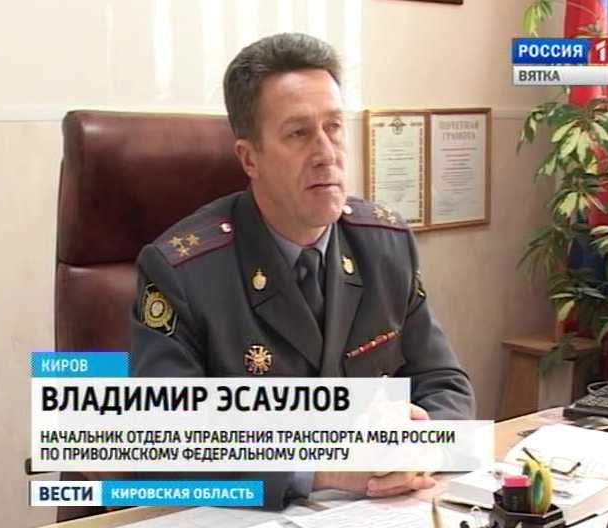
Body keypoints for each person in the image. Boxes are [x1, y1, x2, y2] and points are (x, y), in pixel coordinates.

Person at [130, 32, 475, 510]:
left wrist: (422, 446)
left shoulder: (384, 244)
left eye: (333, 127)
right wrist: (321, 468)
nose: (326, 152)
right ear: (249, 158)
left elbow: (444, 382)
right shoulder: (182, 271)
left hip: (377, 509)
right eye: (298, 134)